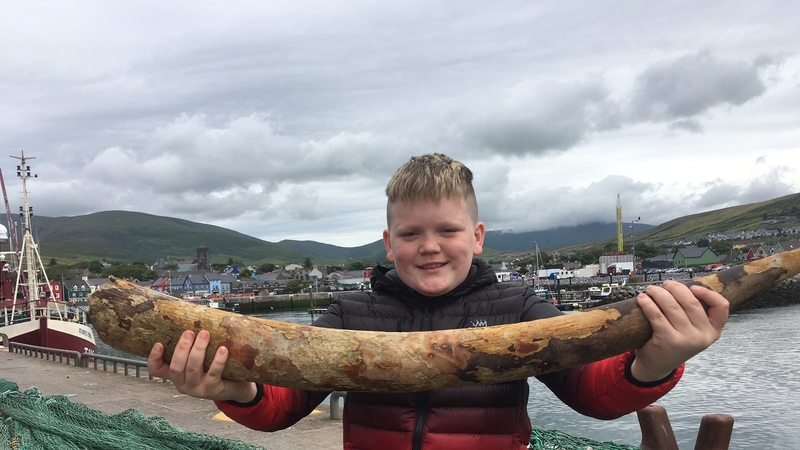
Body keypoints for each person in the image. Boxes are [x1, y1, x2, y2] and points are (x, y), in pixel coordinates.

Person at [148, 153, 729, 450]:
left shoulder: (520, 305)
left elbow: (592, 395)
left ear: (477, 237)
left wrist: (654, 361)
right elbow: (282, 407)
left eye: (448, 230)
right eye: (409, 234)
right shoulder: (352, 315)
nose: (429, 248)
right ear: (388, 242)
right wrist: (234, 388)